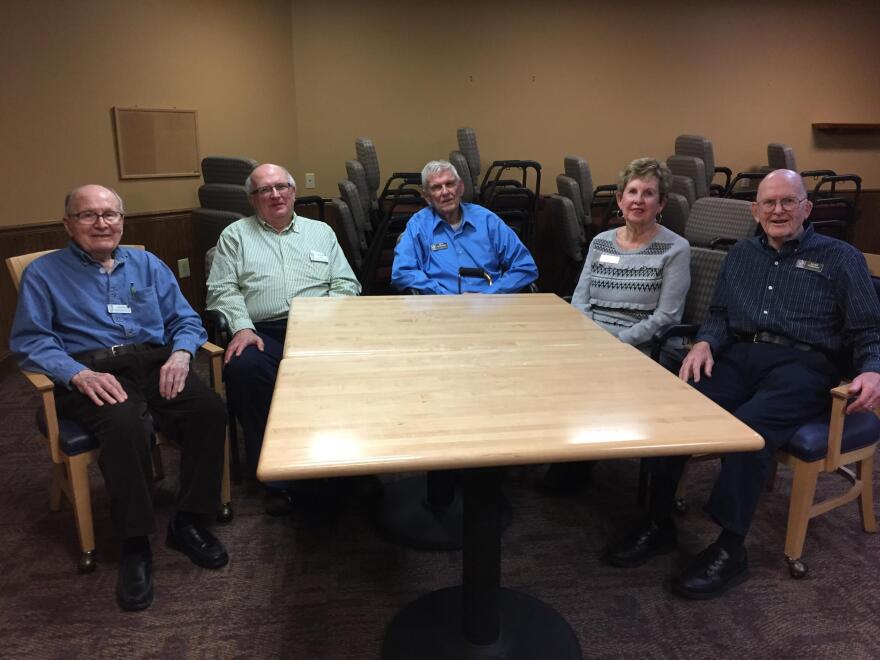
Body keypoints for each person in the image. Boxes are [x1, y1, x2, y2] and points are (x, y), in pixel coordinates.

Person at [606, 169, 880, 599]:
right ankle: (659, 522)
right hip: (740, 356)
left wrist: (873, 369)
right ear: (755, 210)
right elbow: (718, 314)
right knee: (672, 409)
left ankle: (731, 549)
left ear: (807, 208)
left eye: (789, 201)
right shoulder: (741, 255)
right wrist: (705, 343)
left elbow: (869, 329)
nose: (778, 210)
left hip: (803, 365)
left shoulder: (840, 257)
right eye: (769, 202)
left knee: (747, 431)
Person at [10, 185, 229, 612]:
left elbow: (184, 318)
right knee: (126, 423)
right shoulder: (45, 273)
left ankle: (186, 521)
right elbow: (31, 340)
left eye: (110, 214)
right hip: (91, 372)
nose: (101, 223)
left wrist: (183, 354)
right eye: (88, 215)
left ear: (122, 221)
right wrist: (77, 373)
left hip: (154, 363)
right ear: (68, 224)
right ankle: (134, 542)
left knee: (209, 410)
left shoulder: (147, 264)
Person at [206, 163, 361, 513]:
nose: (275, 194)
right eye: (265, 190)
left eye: (282, 187)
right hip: (263, 330)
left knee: (355, 367)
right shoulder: (235, 235)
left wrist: (321, 317)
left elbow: (347, 284)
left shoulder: (320, 231)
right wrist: (241, 326)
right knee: (244, 369)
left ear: (293, 191)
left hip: (320, 326)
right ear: (252, 199)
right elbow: (222, 289)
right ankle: (278, 475)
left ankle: (351, 465)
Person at [543, 158, 690, 494]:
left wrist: (615, 343)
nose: (638, 200)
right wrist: (591, 339)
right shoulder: (601, 242)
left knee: (588, 378)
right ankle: (568, 453)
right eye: (632, 191)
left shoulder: (675, 249)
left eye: (649, 193)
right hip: (594, 340)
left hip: (644, 345)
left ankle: (577, 462)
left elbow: (666, 317)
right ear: (621, 200)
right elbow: (580, 300)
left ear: (661, 203)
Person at [391, 160, 538, 294]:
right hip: (441, 311)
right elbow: (402, 272)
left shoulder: (487, 220)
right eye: (436, 187)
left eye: (449, 184)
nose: (445, 192)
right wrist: (443, 297)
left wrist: (491, 296)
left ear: (461, 188)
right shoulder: (418, 225)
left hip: (493, 308)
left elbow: (525, 267)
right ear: (427, 197)